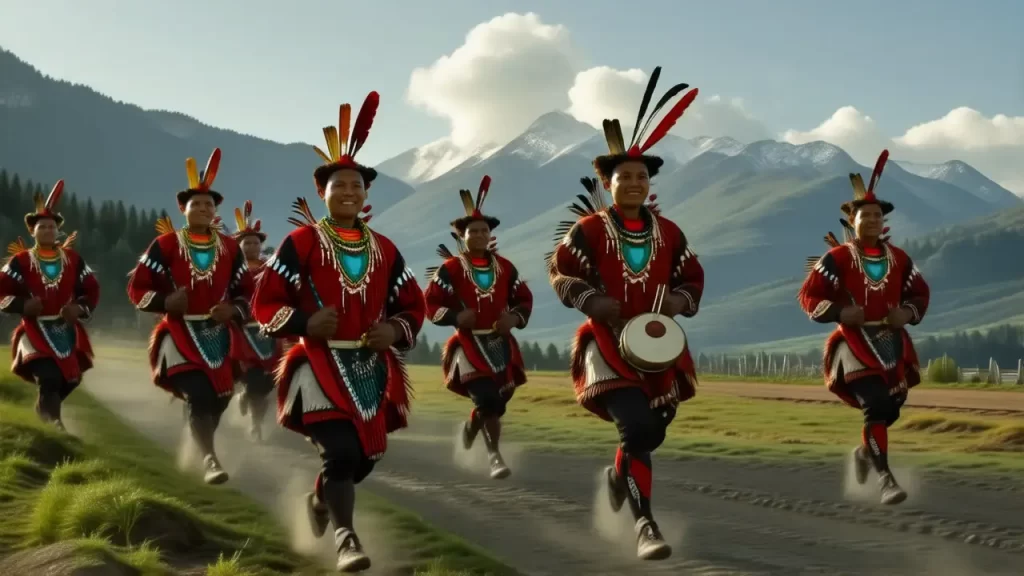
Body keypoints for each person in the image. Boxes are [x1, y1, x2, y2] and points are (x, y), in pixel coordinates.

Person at [251, 92, 426, 573]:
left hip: (371, 365)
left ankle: (321, 500)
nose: (349, 191)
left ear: (366, 195)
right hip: (318, 364)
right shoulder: (301, 243)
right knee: (343, 451)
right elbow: (265, 301)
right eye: (339, 184)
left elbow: (413, 304)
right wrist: (305, 323)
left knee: (365, 456)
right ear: (323, 192)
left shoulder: (385, 249)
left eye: (357, 185)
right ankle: (346, 539)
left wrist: (394, 328)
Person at [546, 66, 703, 561]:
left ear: (649, 183)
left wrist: (679, 301)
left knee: (651, 431)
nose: (633, 183)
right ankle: (646, 527)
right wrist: (590, 300)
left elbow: (691, 277)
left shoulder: (671, 233)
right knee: (636, 430)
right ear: (607, 183)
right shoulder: (589, 231)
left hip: (659, 344)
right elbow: (561, 272)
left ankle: (619, 475)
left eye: (641, 177)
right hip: (608, 346)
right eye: (623, 177)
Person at [798, 149, 929, 505]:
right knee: (874, 404)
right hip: (853, 343)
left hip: (891, 339)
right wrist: (840, 312)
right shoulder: (836, 259)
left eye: (876, 215)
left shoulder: (899, 258)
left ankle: (863, 453)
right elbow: (810, 296)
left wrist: (907, 311)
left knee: (891, 407)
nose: (871, 220)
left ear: (883, 222)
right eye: (864, 215)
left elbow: (919, 292)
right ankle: (885, 478)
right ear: (851, 221)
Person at [127, 148, 252, 485]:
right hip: (180, 333)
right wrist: (167, 301)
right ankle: (210, 459)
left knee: (221, 397)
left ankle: (197, 441)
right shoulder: (164, 245)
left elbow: (248, 291)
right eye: (196, 204)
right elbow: (138, 288)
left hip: (220, 333)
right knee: (199, 394)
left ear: (216, 211)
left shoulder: (229, 248)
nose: (203, 209)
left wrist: (233, 309)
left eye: (209, 205)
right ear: (183, 209)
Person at [423, 175, 533, 479]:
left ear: (491, 234)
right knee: (487, 399)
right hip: (469, 346)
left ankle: (472, 426)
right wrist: (455, 317)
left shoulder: (506, 268)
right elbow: (430, 303)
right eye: (474, 231)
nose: (480, 235)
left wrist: (514, 318)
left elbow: (523, 298)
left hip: (501, 344)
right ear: (463, 236)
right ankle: (495, 457)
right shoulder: (451, 269)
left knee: (496, 402)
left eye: (485, 230)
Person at [1, 180, 99, 431]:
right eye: (41, 226)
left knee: (72, 378)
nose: (47, 230)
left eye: (51, 226)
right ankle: (54, 424)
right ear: (32, 231)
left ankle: (45, 411)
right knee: (48, 377)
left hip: (66, 330)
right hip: (34, 329)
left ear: (58, 231)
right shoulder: (20, 262)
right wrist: (23, 305)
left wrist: (77, 308)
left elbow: (91, 289)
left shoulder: (73, 260)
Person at [231, 200, 281, 442]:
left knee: (268, 382)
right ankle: (251, 416)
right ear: (239, 245)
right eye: (247, 242)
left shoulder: (271, 270)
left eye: (255, 242)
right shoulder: (231, 270)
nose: (252, 246)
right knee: (250, 379)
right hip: (240, 330)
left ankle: (255, 418)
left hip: (268, 332)